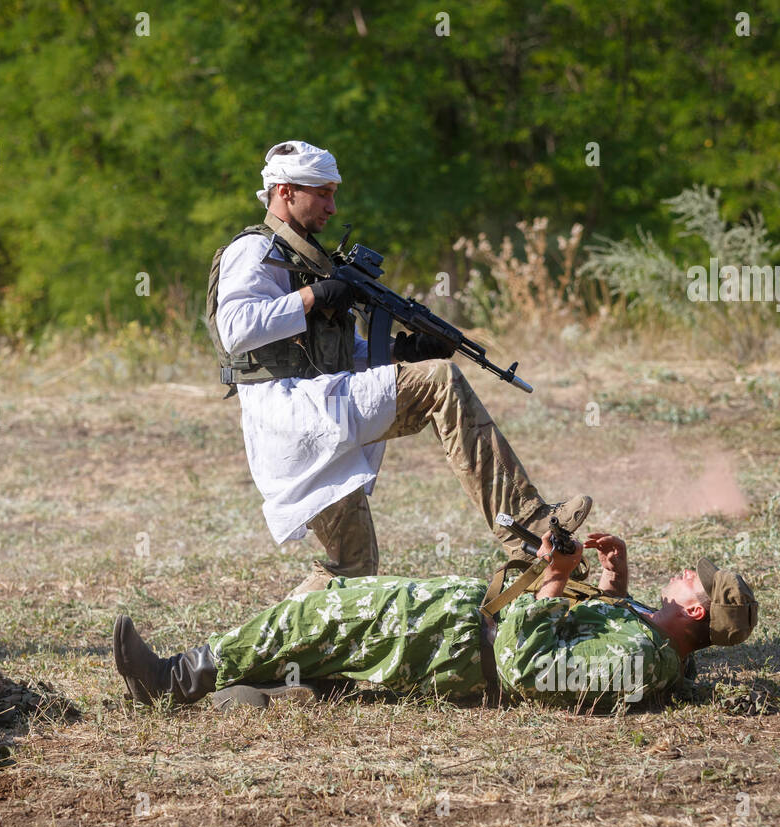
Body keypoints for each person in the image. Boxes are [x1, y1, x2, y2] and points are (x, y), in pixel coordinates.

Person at [207, 140, 592, 596]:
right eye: (323, 193)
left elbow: (332, 352)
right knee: (440, 384)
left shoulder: (306, 258)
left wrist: (401, 352)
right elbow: (235, 328)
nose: (333, 207)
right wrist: (315, 297)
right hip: (290, 411)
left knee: (354, 566)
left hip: (316, 410)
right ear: (286, 191)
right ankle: (527, 525)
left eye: (334, 194)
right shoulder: (253, 251)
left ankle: (275, 661)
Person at [112, 530, 758, 710]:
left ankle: (172, 680)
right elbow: (596, 636)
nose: (681, 572)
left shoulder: (645, 661)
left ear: (696, 609)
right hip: (454, 622)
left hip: (453, 644)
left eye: (688, 579)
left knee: (315, 611)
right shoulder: (653, 642)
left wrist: (554, 579)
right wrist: (614, 585)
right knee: (326, 631)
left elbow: (530, 667)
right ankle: (283, 691)